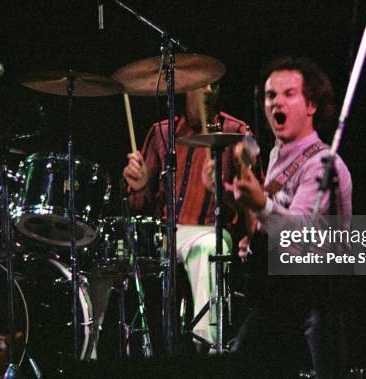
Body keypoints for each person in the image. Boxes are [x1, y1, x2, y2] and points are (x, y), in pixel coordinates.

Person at [228, 57, 352, 378]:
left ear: (311, 105)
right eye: (270, 96)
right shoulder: (276, 155)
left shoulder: (323, 164)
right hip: (282, 296)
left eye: (288, 94)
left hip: (317, 299)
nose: (276, 103)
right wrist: (253, 236)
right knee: (241, 361)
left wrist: (262, 206)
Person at [122, 82, 249, 348]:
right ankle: (99, 348)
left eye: (214, 83)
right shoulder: (162, 132)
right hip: (165, 234)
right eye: (201, 84)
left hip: (210, 230)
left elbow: (252, 199)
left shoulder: (235, 132)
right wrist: (141, 184)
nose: (208, 90)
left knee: (206, 247)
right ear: (186, 87)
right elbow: (138, 204)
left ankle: (205, 345)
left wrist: (224, 190)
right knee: (110, 253)